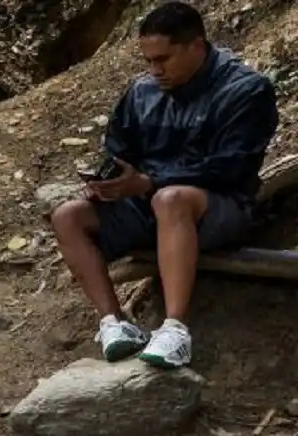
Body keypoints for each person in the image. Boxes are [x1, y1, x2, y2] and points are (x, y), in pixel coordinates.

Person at [50, 1, 278, 369]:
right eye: (148, 61)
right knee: (68, 216)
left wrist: (150, 182)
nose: (155, 70)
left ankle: (175, 330)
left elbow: (231, 168)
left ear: (197, 47)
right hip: (147, 206)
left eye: (164, 59)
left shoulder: (246, 91)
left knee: (170, 199)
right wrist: (109, 181)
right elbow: (120, 149)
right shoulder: (142, 93)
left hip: (219, 208)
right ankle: (115, 323)